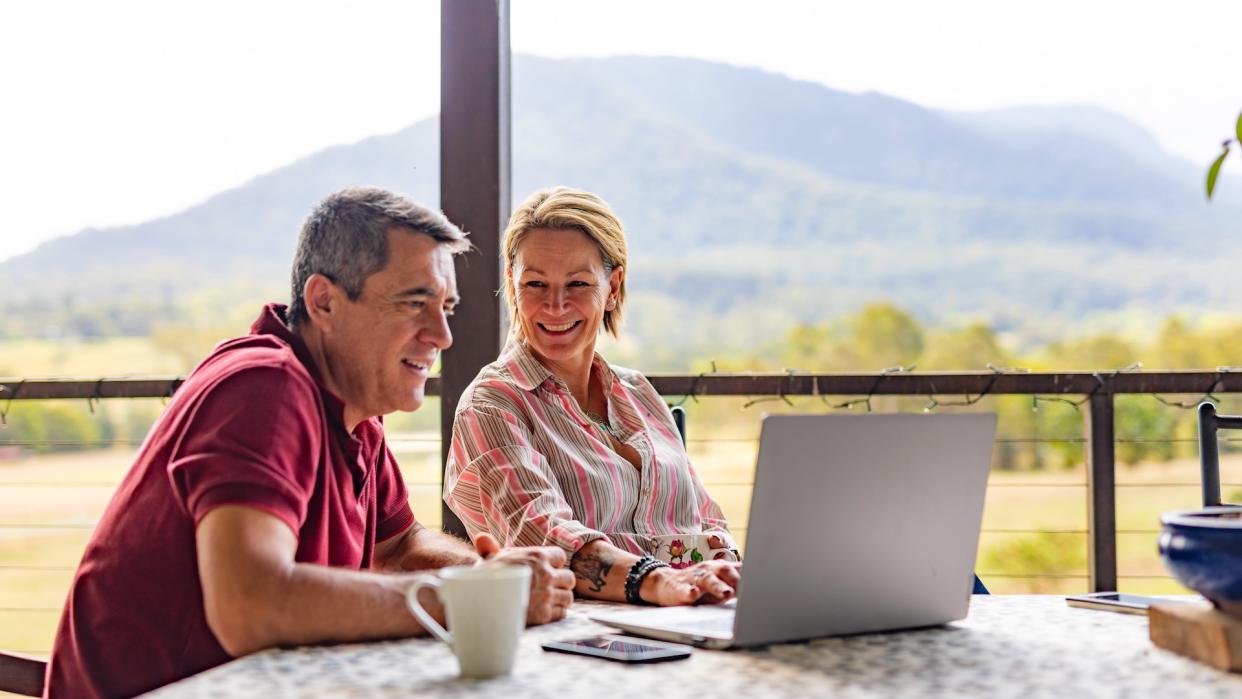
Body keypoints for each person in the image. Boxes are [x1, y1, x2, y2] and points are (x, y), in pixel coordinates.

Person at [44, 187, 575, 698]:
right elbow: (252, 604)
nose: (442, 334)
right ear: (324, 301)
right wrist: (468, 599)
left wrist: (495, 580)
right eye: (415, 303)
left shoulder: (354, 409)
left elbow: (401, 547)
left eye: (447, 308)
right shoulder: (263, 388)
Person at [444, 186, 741, 607]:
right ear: (513, 287)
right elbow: (544, 537)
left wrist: (728, 571)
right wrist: (660, 582)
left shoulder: (639, 392)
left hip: (695, 612)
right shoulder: (492, 404)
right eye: (535, 284)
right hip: (578, 636)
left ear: (613, 286)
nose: (555, 305)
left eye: (578, 283)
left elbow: (707, 520)